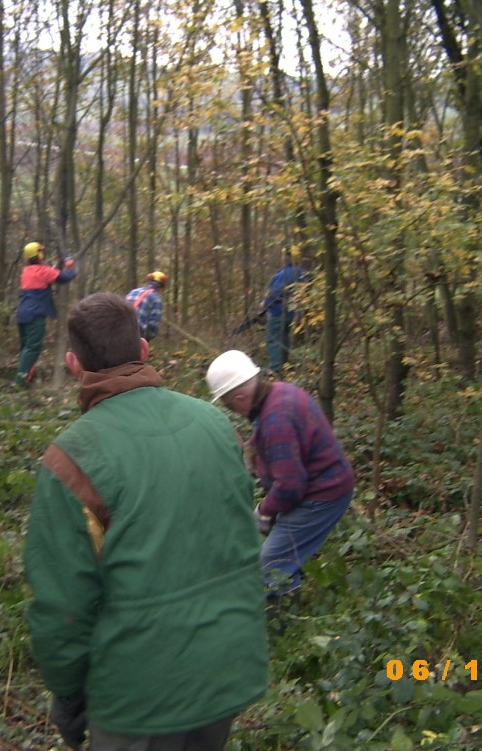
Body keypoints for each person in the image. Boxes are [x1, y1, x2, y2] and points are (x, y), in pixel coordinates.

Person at [24, 293, 267, 751]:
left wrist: (68, 691)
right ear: (143, 349)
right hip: (228, 668)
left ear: (75, 365)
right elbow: (239, 535)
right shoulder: (217, 425)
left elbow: (64, 605)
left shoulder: (70, 460)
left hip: (139, 696)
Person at [206, 349, 354, 599]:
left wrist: (263, 511)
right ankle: (290, 585)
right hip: (318, 485)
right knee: (281, 555)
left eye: (229, 404)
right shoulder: (278, 392)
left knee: (268, 568)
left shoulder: (277, 420)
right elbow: (271, 438)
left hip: (322, 494)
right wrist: (252, 453)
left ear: (240, 397)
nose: (232, 410)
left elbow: (290, 486)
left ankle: (283, 612)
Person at [15, 241, 78, 386]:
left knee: (25, 348)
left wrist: (61, 264)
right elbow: (64, 278)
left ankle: (25, 377)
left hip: (22, 313)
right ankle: (20, 380)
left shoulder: (27, 271)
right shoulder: (43, 271)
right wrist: (71, 268)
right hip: (35, 314)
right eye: (40, 252)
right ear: (38, 255)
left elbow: (50, 273)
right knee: (32, 347)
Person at [262, 245, 305, 376]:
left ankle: (276, 369)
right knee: (285, 338)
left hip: (278, 311)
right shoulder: (301, 273)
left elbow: (276, 293)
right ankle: (285, 365)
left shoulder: (283, 274)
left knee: (274, 339)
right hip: (292, 312)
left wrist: (265, 304)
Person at [125, 270, 167, 341]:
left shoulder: (133, 292)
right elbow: (153, 325)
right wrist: (146, 340)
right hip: (136, 334)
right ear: (161, 287)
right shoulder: (156, 298)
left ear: (148, 281)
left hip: (120, 330)